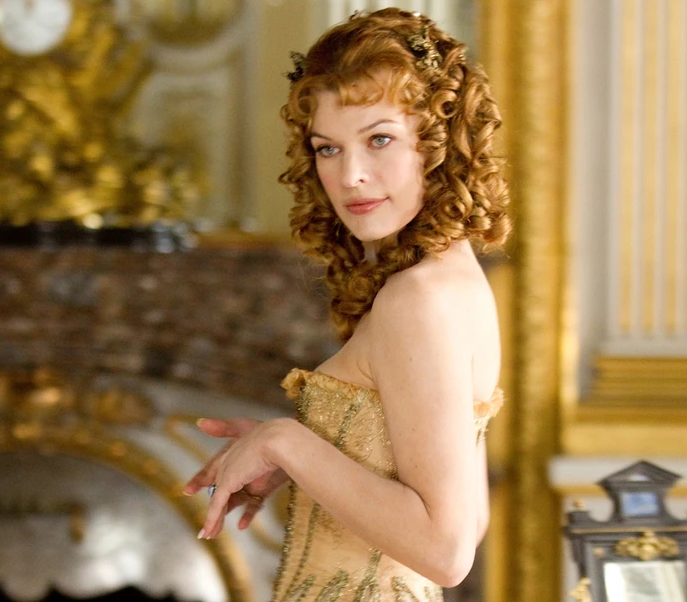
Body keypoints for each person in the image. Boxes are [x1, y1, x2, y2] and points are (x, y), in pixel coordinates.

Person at [183, 8, 510, 601]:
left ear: (439, 142)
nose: (351, 174)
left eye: (379, 139)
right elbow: (472, 517)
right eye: (327, 148)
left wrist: (285, 442)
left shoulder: (418, 299)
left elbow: (446, 551)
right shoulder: (454, 282)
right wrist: (308, 458)